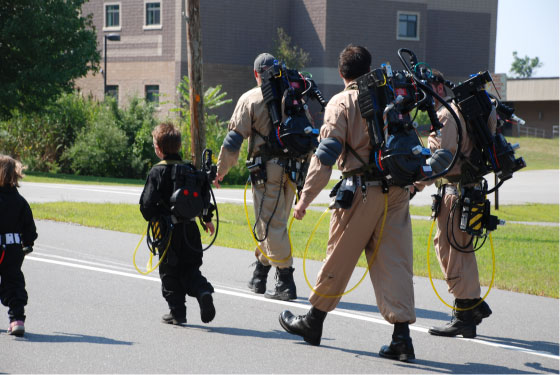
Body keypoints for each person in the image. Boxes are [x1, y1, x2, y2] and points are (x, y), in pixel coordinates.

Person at [278, 45, 416, 362]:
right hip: (396, 192)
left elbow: (326, 154)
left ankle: (313, 323)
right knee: (394, 263)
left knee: (338, 257)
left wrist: (304, 198)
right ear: (368, 70)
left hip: (360, 192)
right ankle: (402, 339)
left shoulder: (341, 102)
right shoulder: (392, 97)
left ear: (342, 73)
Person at [213, 53, 298, 301]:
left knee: (272, 224)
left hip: (267, 171)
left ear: (256, 74)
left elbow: (233, 140)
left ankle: (285, 280)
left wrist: (220, 170)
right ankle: (260, 274)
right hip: (293, 170)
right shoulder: (293, 95)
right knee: (273, 222)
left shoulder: (251, 98)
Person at [416, 69, 493, 338]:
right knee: (460, 249)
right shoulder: (468, 110)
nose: (421, 95)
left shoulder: (446, 115)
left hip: (455, 193)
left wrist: (414, 184)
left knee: (453, 251)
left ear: (438, 88)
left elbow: (440, 160)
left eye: (426, 88)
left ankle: (465, 313)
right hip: (469, 191)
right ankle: (471, 305)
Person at [140, 122, 216, 325]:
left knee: (169, 272)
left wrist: (155, 218)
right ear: (179, 147)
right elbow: (203, 197)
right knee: (190, 268)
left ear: (158, 148)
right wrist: (207, 220)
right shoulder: (190, 170)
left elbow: (146, 206)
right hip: (191, 231)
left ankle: (177, 312)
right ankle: (202, 290)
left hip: (167, 233)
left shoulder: (157, 172)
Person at [0, 155, 37, 337]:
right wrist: (28, 243)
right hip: (13, 249)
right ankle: (17, 320)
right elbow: (29, 226)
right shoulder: (20, 201)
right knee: (14, 282)